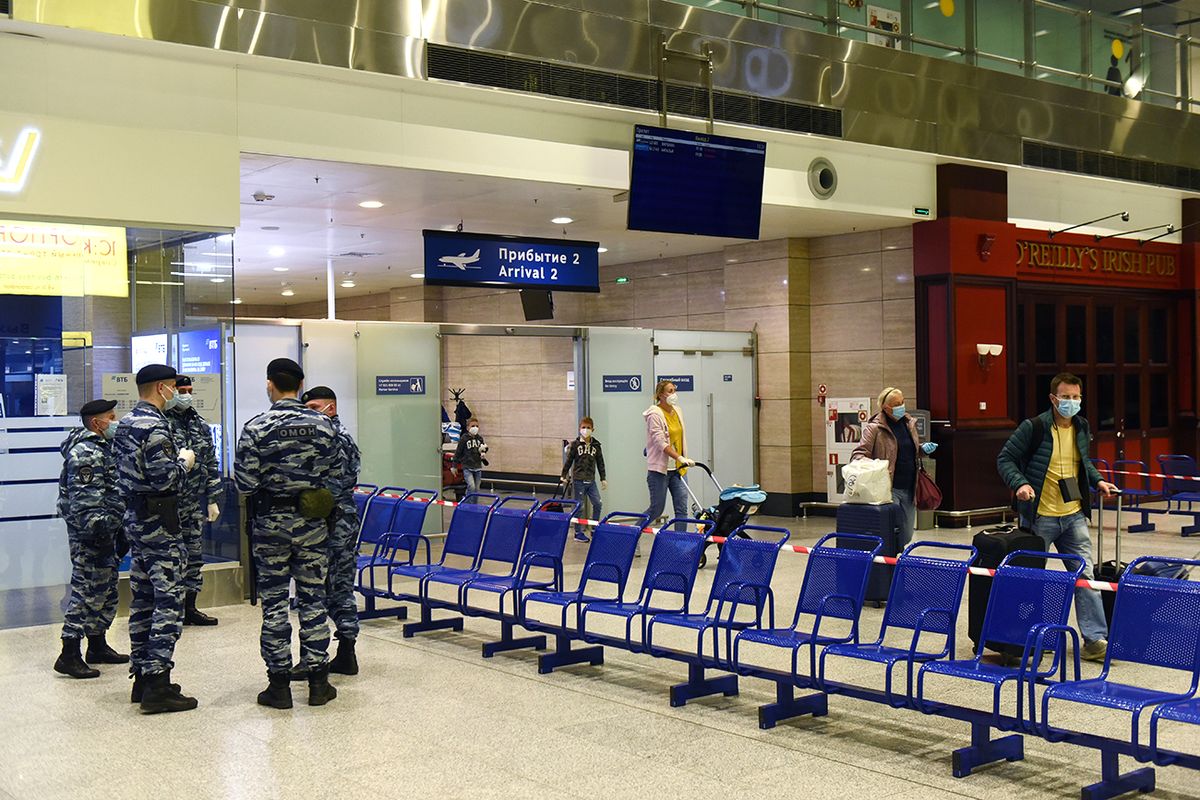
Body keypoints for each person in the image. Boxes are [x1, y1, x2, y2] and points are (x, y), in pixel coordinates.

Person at [235, 358, 341, 709]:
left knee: (276, 604)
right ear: (301, 384)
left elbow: (245, 483)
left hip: (270, 528)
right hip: (312, 526)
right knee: (313, 601)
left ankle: (279, 686)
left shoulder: (256, 427)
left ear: (270, 385)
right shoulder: (324, 426)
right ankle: (318, 683)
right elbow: (338, 476)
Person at [997, 372, 1118, 663]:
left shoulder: (1081, 426)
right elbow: (1005, 459)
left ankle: (1094, 639)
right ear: (1053, 398)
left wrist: (1098, 481)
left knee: (1085, 576)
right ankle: (1032, 636)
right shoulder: (1034, 427)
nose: (1072, 402)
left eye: (1076, 397)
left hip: (1073, 513)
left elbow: (1082, 461)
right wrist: (1020, 484)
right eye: (1066, 397)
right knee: (1032, 579)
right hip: (1040, 517)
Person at [112, 364, 198, 713]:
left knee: (143, 600)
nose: (177, 393)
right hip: (161, 525)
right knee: (169, 601)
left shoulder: (126, 424)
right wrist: (184, 463)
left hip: (135, 521)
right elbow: (167, 480)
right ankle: (159, 682)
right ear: (163, 388)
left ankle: (143, 678)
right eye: (174, 387)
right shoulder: (155, 428)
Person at [53, 399, 128, 679]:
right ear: (97, 423)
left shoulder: (103, 447)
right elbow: (86, 503)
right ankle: (68, 653)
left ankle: (97, 645)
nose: (116, 420)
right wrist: (100, 533)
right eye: (111, 416)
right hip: (92, 534)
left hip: (107, 530)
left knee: (106, 589)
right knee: (86, 590)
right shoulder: (86, 453)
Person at [301, 385, 362, 676]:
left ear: (331, 408)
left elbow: (339, 480)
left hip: (336, 521)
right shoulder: (323, 437)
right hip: (330, 519)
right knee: (332, 586)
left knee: (334, 586)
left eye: (314, 409)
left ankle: (339, 652)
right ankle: (343, 653)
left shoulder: (336, 438)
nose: (310, 415)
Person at [851, 388, 938, 550]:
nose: (901, 406)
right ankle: (890, 562)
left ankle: (894, 555)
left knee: (907, 533)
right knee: (892, 528)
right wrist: (875, 466)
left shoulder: (908, 423)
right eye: (897, 404)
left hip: (910, 485)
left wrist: (922, 450)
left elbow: (907, 449)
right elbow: (858, 454)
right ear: (885, 407)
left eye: (902, 402)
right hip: (888, 487)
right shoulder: (874, 428)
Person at [167, 375, 221, 626]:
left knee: (194, 557)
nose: (187, 394)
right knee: (169, 560)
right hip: (167, 505)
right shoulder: (161, 423)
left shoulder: (199, 424)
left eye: (189, 390)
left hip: (192, 505)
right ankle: (170, 611)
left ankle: (190, 607)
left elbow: (210, 463)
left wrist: (212, 498)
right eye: (181, 390)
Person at [642, 380, 694, 536]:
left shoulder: (677, 411)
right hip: (660, 470)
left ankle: (679, 544)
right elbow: (660, 443)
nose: (674, 394)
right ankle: (633, 533)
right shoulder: (654, 415)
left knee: (682, 509)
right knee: (656, 509)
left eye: (674, 390)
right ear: (660, 395)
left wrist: (682, 459)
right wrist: (679, 456)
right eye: (670, 391)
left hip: (678, 469)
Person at [561, 417, 607, 543]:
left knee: (597, 503)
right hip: (579, 480)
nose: (585, 430)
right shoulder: (575, 445)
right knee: (579, 506)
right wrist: (563, 474)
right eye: (583, 427)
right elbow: (569, 460)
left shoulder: (596, 445)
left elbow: (600, 463)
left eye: (588, 427)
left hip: (591, 480)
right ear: (579, 429)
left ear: (593, 429)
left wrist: (603, 478)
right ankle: (578, 532)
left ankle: (594, 528)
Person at [452, 417, 487, 496]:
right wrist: (454, 466)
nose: (475, 428)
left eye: (477, 426)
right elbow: (458, 452)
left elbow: (482, 450)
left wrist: (483, 452)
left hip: (477, 466)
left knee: (477, 488)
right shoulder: (464, 438)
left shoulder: (480, 438)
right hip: (467, 466)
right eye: (473, 426)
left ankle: (474, 506)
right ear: (468, 428)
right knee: (471, 486)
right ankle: (468, 504)